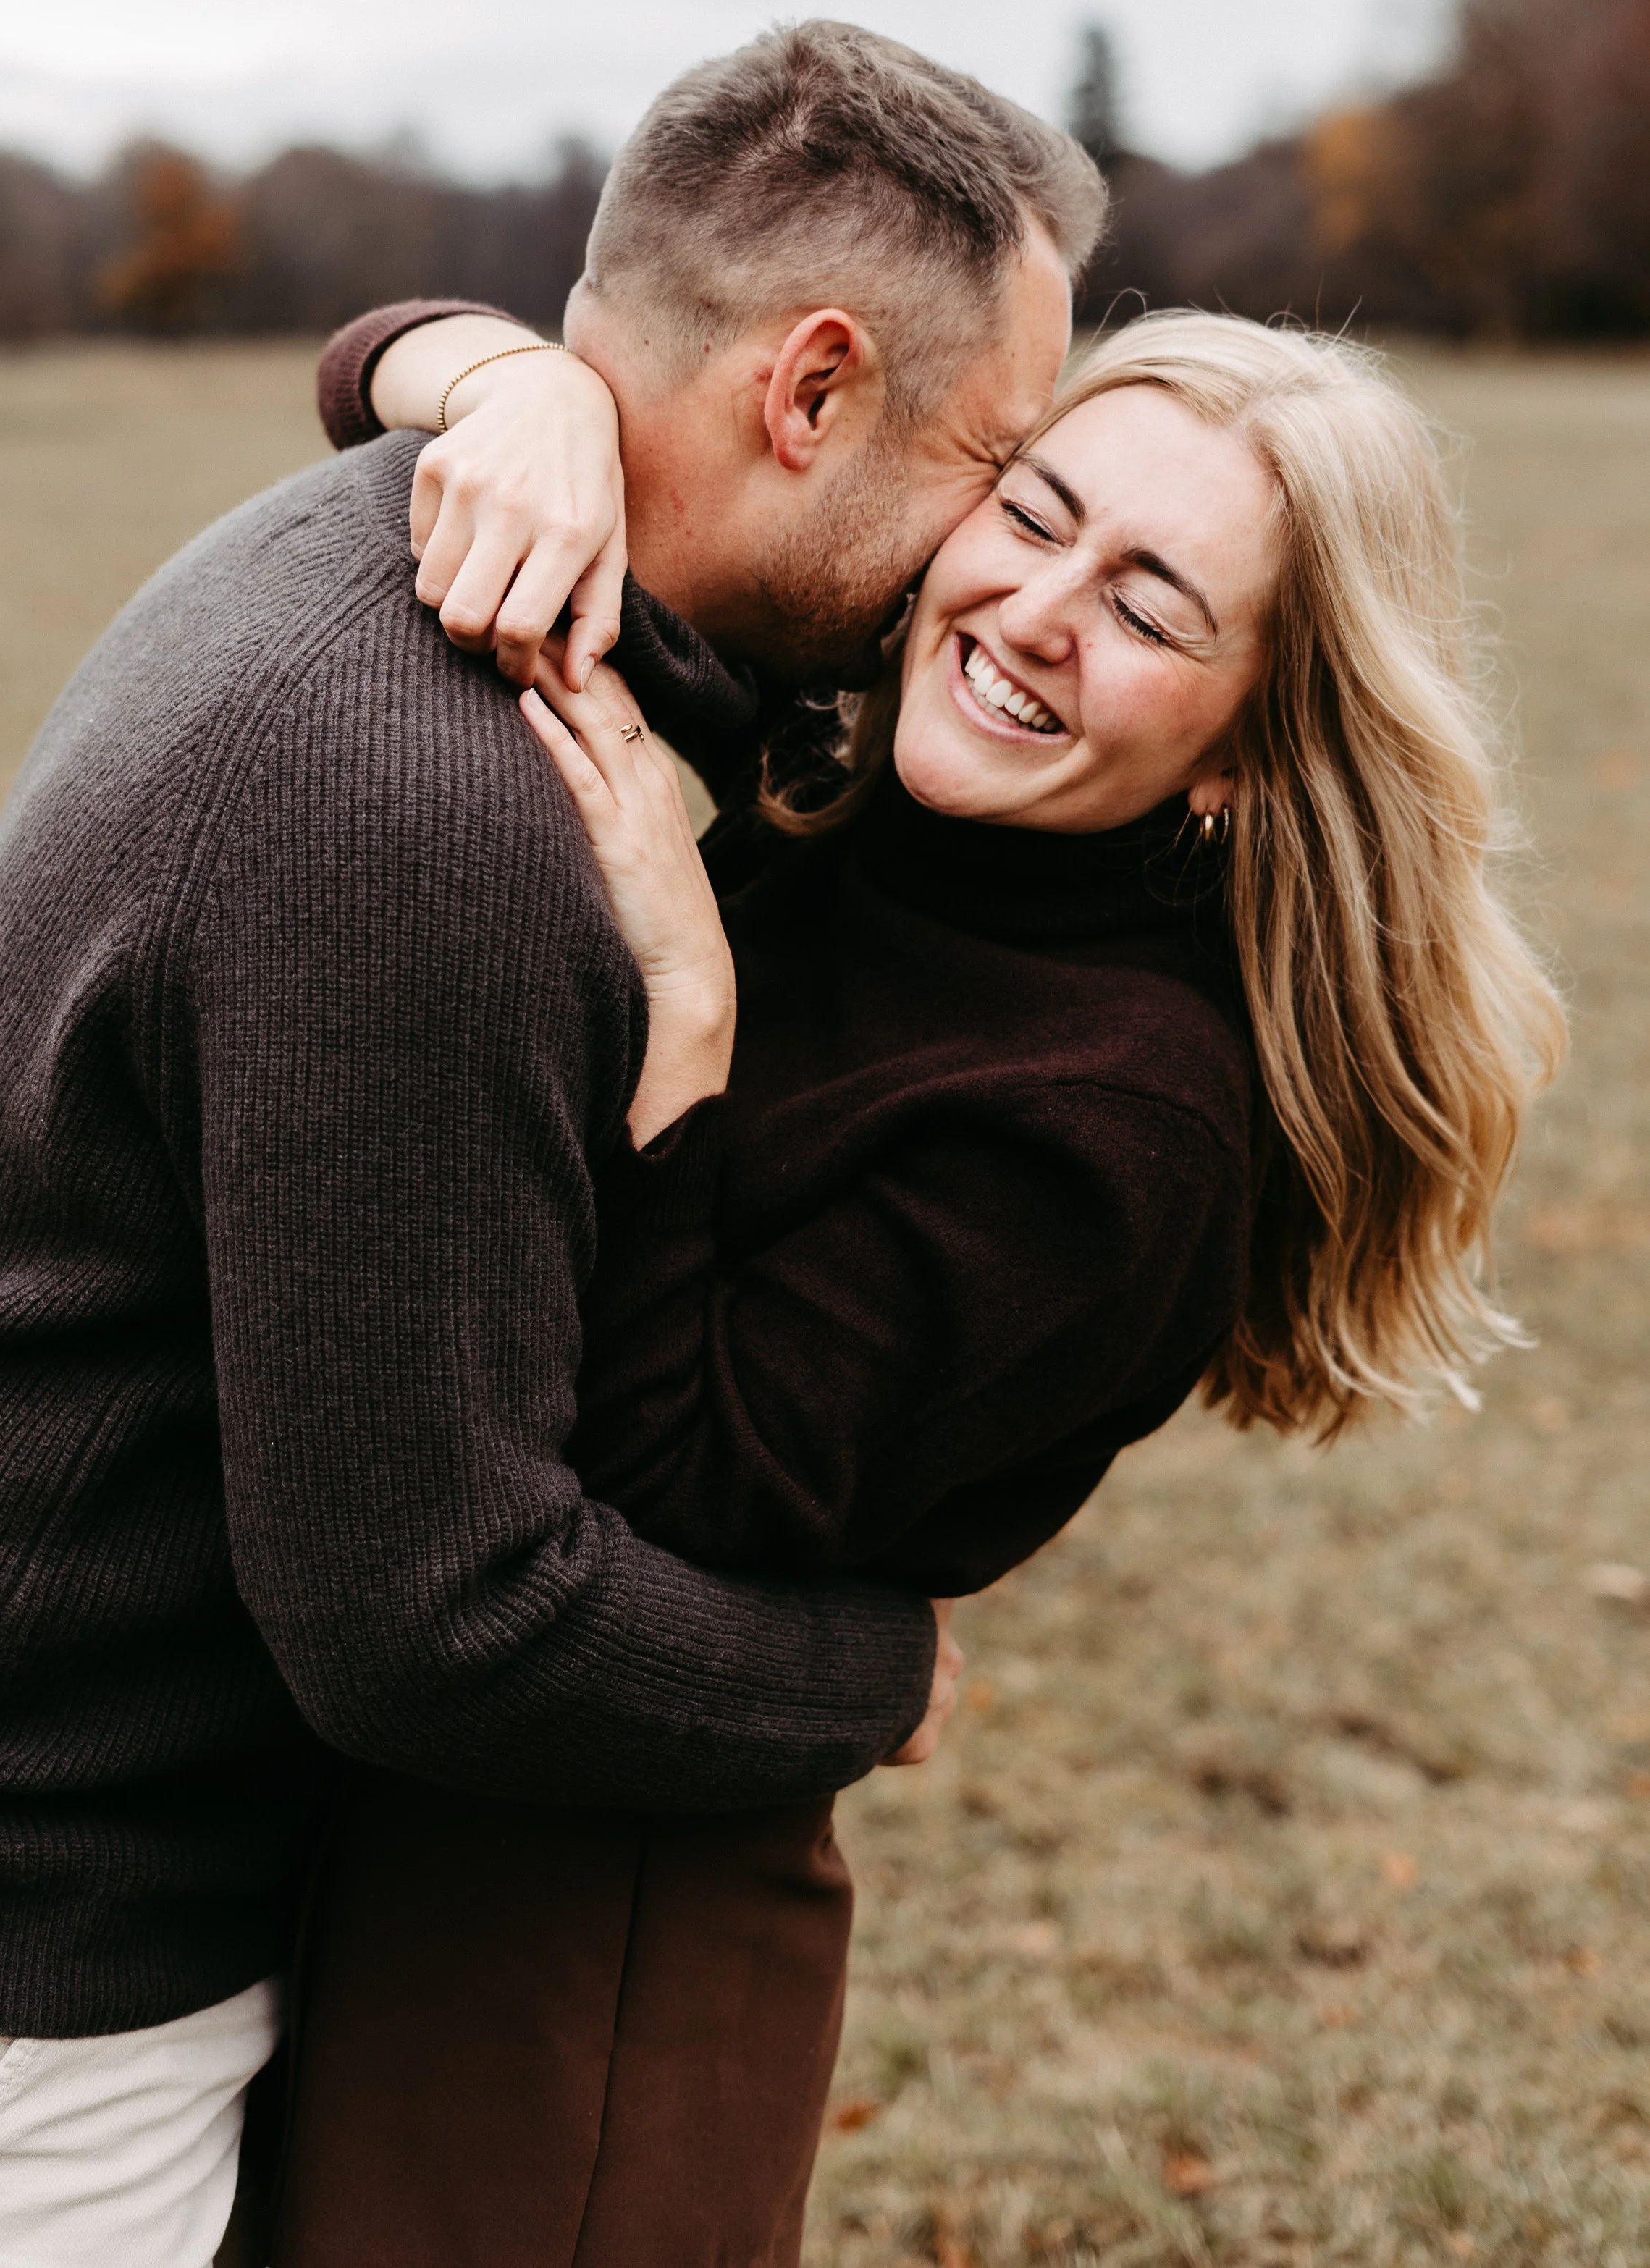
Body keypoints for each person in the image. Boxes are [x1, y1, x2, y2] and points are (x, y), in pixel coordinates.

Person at [0, 22, 1104, 2267]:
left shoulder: (400, 564)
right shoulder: (428, 800)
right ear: (807, 392)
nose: (983, 560)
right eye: (997, 463)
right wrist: (866, 1674)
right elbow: (432, 1621)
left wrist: (452, 363)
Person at [269, 305, 1561, 2262]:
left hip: (570, 1954)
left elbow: (655, 1487)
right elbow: (361, 362)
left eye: (1147, 604)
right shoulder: (861, 778)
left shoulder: (1118, 1131)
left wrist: (687, 1010)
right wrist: (521, 386)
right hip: (390, 1806)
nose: (1035, 607)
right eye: (1031, 513)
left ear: (1247, 743)